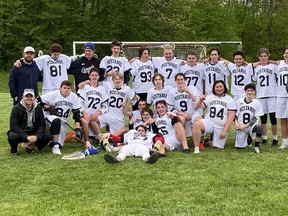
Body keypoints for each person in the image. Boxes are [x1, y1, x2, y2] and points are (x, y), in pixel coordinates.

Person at [38, 80, 82, 155]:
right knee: (56, 120)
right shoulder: (53, 94)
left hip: (63, 122)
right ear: (60, 88)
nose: (66, 90)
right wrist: (49, 108)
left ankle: (48, 141)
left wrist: (77, 128)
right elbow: (38, 100)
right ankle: (55, 146)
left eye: (68, 88)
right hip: (49, 117)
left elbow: (76, 113)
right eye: (64, 88)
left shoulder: (74, 97)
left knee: (60, 144)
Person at [192, 80, 236, 151]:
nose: (219, 89)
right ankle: (196, 148)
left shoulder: (229, 99)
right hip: (209, 122)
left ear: (224, 88)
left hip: (221, 126)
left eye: (221, 87)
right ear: (214, 88)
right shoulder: (210, 97)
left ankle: (208, 142)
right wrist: (200, 100)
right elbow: (197, 106)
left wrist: (225, 131)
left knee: (218, 148)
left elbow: (231, 117)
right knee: (197, 124)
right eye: (217, 87)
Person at [7, 89, 51, 156]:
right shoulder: (16, 108)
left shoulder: (38, 108)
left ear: (34, 97)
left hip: (33, 131)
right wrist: (26, 136)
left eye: (31, 96)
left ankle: (30, 146)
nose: (29, 98)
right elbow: (13, 126)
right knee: (12, 136)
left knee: (48, 136)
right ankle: (14, 151)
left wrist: (37, 136)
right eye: (27, 96)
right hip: (21, 131)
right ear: (23, 97)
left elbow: (42, 124)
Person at [252, 48, 278, 146]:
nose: (263, 58)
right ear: (259, 57)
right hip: (261, 95)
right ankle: (264, 138)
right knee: (263, 119)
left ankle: (275, 138)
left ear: (268, 56)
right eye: (261, 56)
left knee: (273, 118)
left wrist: (271, 61)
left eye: (265, 56)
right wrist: (259, 63)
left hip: (272, 95)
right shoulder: (256, 68)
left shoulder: (273, 67)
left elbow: (279, 63)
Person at [77, 67, 109, 146]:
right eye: (92, 75)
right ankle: (100, 137)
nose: (94, 77)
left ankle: (77, 136)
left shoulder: (102, 89)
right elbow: (79, 102)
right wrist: (84, 113)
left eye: (96, 75)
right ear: (89, 76)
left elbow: (105, 106)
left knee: (92, 140)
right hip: (85, 115)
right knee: (89, 141)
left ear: (98, 77)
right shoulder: (85, 87)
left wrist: (98, 112)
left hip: (95, 116)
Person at [166, 73, 201, 137]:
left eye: (182, 79)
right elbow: (170, 108)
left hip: (193, 112)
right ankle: (182, 139)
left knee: (199, 121)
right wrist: (183, 114)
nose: (180, 81)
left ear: (185, 80)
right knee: (181, 119)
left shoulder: (192, 88)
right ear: (176, 81)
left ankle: (200, 142)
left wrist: (189, 92)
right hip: (180, 114)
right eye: (178, 80)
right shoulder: (172, 92)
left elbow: (197, 102)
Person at [234, 83, 263, 153]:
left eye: (251, 90)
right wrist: (236, 123)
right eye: (248, 90)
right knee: (239, 148)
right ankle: (247, 139)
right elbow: (235, 115)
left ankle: (256, 146)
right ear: (245, 91)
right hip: (240, 126)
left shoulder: (257, 103)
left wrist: (245, 126)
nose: (250, 92)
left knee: (259, 127)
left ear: (254, 92)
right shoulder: (239, 102)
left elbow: (255, 119)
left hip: (250, 126)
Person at [276, 48, 288, 149]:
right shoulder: (279, 64)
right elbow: (269, 61)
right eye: (286, 53)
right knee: (283, 119)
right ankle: (284, 141)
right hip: (280, 95)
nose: (287, 55)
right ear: (283, 55)